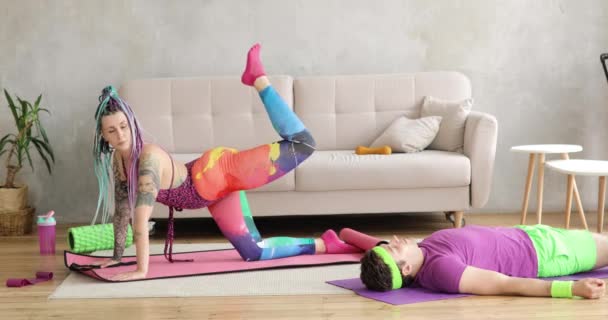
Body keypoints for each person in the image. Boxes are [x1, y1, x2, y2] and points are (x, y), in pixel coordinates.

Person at [91, 43, 361, 281]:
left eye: (124, 126)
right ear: (103, 136)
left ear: (132, 125)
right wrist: (116, 256)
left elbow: (140, 220)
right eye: (112, 130)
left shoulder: (147, 158)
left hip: (218, 172)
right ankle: (326, 244)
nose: (121, 135)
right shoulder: (118, 162)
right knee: (254, 252)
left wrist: (141, 270)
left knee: (303, 144)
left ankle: (259, 80)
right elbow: (123, 211)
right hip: (213, 194)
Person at [359, 224, 608, 299]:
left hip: (530, 235)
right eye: (395, 248)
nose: (394, 239)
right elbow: (505, 284)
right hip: (548, 253)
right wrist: (572, 288)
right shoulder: (441, 270)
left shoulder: (423, 250)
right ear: (407, 268)